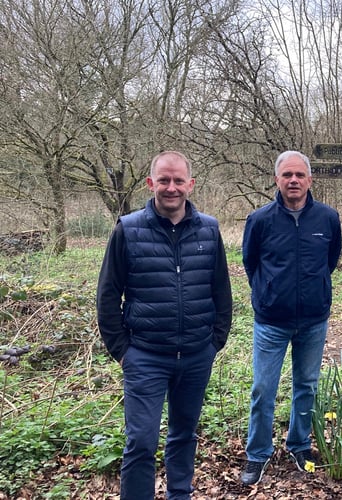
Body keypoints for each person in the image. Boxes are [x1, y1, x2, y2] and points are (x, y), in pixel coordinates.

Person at [96, 151, 233, 500]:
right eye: (163, 180)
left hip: (196, 354)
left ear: (190, 184)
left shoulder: (209, 229)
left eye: (177, 181)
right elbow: (108, 295)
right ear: (151, 183)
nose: (171, 188)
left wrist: (215, 340)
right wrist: (122, 351)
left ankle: (179, 494)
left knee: (184, 433)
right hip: (145, 356)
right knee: (141, 441)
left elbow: (221, 288)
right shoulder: (128, 230)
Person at [240, 150, 342, 486]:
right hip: (271, 321)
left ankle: (299, 444)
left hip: (313, 319)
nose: (293, 180)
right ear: (277, 180)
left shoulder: (327, 218)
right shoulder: (260, 220)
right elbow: (251, 263)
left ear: (310, 180)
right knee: (262, 388)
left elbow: (330, 260)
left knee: (307, 387)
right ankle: (258, 454)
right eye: (287, 175)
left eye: (299, 175)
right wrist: (269, 293)